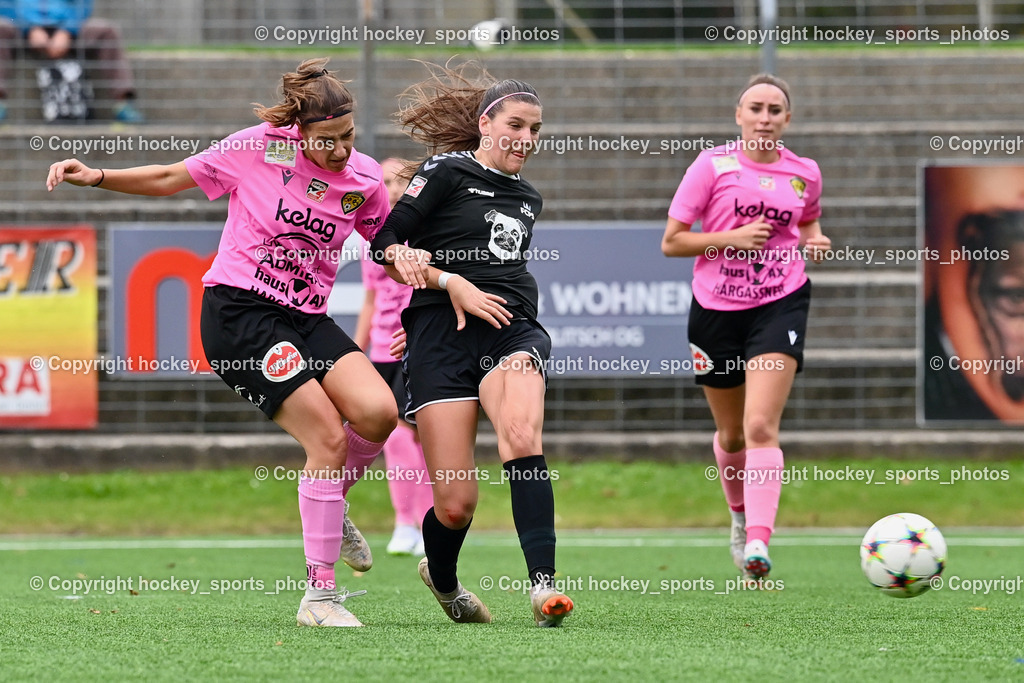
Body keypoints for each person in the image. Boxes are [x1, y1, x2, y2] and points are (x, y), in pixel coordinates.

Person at [45, 58, 397, 627]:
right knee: (328, 440)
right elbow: (168, 178)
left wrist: (415, 262)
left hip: (306, 317)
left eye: (348, 137)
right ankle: (320, 598)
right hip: (240, 316)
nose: (338, 150)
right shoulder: (257, 148)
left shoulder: (365, 179)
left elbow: (386, 245)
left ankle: (330, 502)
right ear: (298, 132)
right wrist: (99, 175)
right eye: (326, 140)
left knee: (379, 412)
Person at [369, 63, 574, 627]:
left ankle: (543, 588)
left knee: (520, 433)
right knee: (456, 505)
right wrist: (436, 277)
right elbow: (385, 241)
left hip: (511, 328)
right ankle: (443, 578)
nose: (527, 140)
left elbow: (504, 272)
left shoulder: (528, 199)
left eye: (536, 130)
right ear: (486, 123)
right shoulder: (445, 172)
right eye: (516, 125)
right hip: (440, 338)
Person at [661, 73, 831, 580]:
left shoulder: (805, 172)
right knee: (733, 435)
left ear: (787, 119)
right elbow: (673, 242)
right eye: (755, 108)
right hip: (715, 308)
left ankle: (759, 543)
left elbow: (809, 221)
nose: (764, 117)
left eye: (775, 110)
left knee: (760, 425)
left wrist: (815, 240)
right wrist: (731, 238)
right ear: (739, 116)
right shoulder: (712, 166)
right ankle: (738, 517)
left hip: (780, 302)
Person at [354, 156, 433, 556]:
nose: (396, 188)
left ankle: (414, 524)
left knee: (405, 434)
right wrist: (357, 349)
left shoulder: (425, 233)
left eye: (404, 180)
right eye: (387, 181)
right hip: (379, 351)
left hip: (413, 347)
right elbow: (370, 300)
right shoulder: (376, 239)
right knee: (394, 435)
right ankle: (416, 523)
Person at [0, 0, 143, 122]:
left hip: (69, 30)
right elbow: (5, 6)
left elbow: (83, 5)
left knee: (106, 30)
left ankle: (123, 103)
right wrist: (29, 28)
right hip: (21, 31)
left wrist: (67, 30)